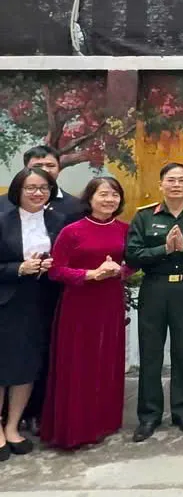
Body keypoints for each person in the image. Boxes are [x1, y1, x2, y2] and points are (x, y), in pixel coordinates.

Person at [41, 177, 131, 449]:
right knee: (79, 362)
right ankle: (76, 427)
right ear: (89, 198)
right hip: (79, 304)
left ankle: (103, 421)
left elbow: (133, 264)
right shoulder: (72, 231)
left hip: (110, 301)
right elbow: (56, 270)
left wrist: (120, 271)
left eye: (114, 195)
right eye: (103, 194)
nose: (109, 200)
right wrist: (90, 274)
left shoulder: (125, 229)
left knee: (106, 359)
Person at [125, 162, 183, 442]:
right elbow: (133, 256)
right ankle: (149, 416)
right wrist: (164, 249)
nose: (176, 185)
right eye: (171, 180)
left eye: (181, 180)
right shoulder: (144, 217)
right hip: (154, 287)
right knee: (151, 353)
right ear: (161, 184)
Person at [0, 167, 65, 459]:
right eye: (31, 188)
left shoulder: (56, 220)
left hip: (40, 301)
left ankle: (13, 426)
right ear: (18, 190)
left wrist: (51, 266)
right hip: (7, 302)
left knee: (27, 367)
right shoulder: (2, 220)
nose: (38, 193)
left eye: (44, 188)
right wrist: (18, 268)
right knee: (3, 367)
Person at [0, 145, 84, 223]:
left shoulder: (78, 206)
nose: (45, 170)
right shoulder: (3, 203)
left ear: (59, 168)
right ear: (26, 169)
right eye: (37, 166)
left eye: (50, 165)